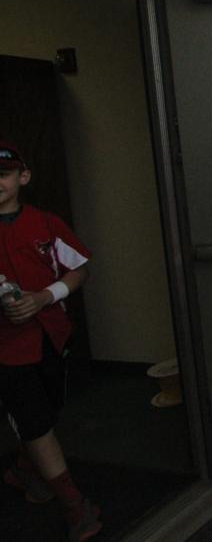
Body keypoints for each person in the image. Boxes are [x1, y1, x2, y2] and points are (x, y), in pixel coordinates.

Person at [0, 141, 98, 541]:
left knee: (47, 412)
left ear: (22, 178)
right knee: (36, 422)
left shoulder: (44, 222)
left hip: (51, 337)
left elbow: (80, 268)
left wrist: (45, 296)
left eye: (3, 174)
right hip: (6, 349)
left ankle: (24, 468)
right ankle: (74, 503)